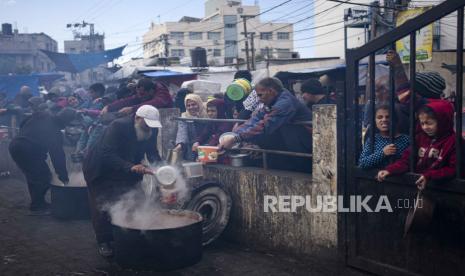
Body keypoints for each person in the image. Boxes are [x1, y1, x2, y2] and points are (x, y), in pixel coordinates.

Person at [83, 105, 162, 257]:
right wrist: (131, 167)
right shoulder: (118, 126)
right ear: (137, 118)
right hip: (101, 168)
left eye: (152, 125)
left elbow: (152, 153)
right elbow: (106, 153)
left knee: (137, 198)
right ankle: (104, 241)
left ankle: (135, 233)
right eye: (146, 125)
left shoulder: (152, 128)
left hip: (127, 165)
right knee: (103, 204)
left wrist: (163, 171)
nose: (149, 129)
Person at [219, 77, 312, 173]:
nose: (258, 99)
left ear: (270, 91)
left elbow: (264, 126)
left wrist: (236, 138)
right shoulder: (274, 99)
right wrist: (234, 134)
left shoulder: (285, 103)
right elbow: (257, 118)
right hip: (292, 143)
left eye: (260, 95)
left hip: (304, 146)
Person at [9, 108, 77, 214]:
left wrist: (24, 134)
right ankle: (37, 207)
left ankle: (38, 203)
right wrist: (63, 175)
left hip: (15, 145)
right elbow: (57, 156)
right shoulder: (55, 132)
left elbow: (24, 121)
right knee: (44, 177)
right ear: (66, 122)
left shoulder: (42, 115)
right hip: (28, 150)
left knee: (34, 177)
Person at [377, 100, 456, 190]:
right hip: (416, 185)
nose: (425, 127)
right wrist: (390, 170)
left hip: (442, 191)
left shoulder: (454, 142)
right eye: (422, 123)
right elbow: (407, 160)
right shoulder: (420, 138)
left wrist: (429, 176)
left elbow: (453, 169)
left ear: (442, 121)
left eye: (429, 123)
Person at [358, 105, 409, 169]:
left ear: (394, 119)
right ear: (375, 121)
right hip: (375, 178)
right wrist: (383, 153)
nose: (384, 119)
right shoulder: (373, 140)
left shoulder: (406, 140)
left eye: (388, 117)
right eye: (380, 117)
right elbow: (362, 163)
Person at [101, 78, 172, 116]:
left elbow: (156, 102)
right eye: (139, 94)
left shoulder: (162, 94)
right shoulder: (141, 94)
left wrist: (132, 109)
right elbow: (127, 100)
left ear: (151, 91)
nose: (140, 97)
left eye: (142, 94)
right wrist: (109, 107)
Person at [173, 94, 208, 161]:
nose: (191, 107)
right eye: (188, 105)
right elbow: (182, 131)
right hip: (191, 147)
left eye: (194, 104)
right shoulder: (184, 116)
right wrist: (180, 144)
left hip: (206, 146)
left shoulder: (207, 114)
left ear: (199, 104)